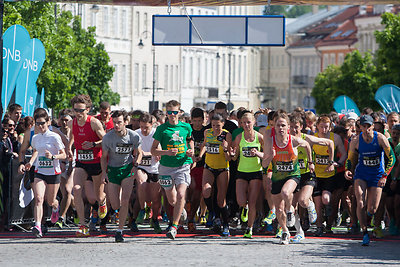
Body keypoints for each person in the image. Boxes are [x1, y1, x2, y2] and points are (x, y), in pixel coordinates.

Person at [345, 115, 395, 246]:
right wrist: (347, 169)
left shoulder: (380, 138)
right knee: (360, 201)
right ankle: (365, 232)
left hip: (377, 175)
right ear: (360, 127)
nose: (366, 129)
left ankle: (368, 216)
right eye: (363, 126)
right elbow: (350, 159)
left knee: (373, 208)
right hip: (361, 174)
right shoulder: (355, 140)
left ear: (372, 126)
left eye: (368, 126)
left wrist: (385, 176)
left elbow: (392, 158)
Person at [151, 100, 194, 240]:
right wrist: (166, 152)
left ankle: (174, 226)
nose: (172, 115)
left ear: (179, 112)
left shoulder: (186, 127)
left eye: (174, 112)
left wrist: (191, 150)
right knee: (172, 200)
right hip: (166, 167)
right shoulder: (161, 129)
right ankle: (180, 210)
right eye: (169, 112)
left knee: (181, 194)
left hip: (183, 165)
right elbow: (153, 150)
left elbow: (190, 140)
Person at [289, 113, 334, 242]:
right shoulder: (285, 140)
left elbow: (330, 143)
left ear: (302, 127)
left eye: (296, 127)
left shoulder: (307, 138)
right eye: (291, 127)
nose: (294, 130)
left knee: (303, 201)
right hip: (293, 175)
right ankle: (299, 232)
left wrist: (331, 162)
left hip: (308, 175)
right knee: (292, 207)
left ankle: (310, 205)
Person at [67, 95, 106, 237]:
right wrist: (69, 148)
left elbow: (106, 140)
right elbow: (72, 136)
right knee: (76, 189)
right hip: (81, 162)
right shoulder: (72, 123)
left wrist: (94, 144)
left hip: (96, 162)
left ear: (87, 109)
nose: (78, 113)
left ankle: (102, 202)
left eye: (81, 110)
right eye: (76, 110)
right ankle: (83, 225)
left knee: (97, 196)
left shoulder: (94, 123)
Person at [101, 110, 142, 242]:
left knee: (125, 200)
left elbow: (139, 153)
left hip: (127, 169)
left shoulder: (134, 136)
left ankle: (119, 231)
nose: (116, 125)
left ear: (126, 122)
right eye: (114, 123)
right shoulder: (108, 137)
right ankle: (108, 206)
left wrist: (136, 165)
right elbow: (104, 157)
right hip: (112, 170)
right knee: (115, 204)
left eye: (119, 122)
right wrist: (104, 173)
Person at [24, 109, 66, 237]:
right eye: (38, 124)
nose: (40, 126)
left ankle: (55, 206)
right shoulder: (36, 138)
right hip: (39, 171)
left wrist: (53, 157)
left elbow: (63, 155)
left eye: (42, 123)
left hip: (53, 172)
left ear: (48, 122)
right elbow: (36, 151)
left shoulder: (54, 136)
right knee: (38, 198)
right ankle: (37, 225)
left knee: (50, 200)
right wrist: (31, 162)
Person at [312, 114, 347, 237]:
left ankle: (330, 214)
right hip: (316, 174)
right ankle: (319, 226)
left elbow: (344, 153)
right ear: (317, 126)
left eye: (326, 127)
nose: (324, 130)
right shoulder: (313, 138)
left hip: (329, 175)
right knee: (318, 203)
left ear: (330, 127)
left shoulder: (335, 138)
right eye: (321, 127)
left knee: (326, 199)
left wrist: (338, 163)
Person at [199, 113, 232, 236]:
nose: (215, 128)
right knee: (206, 190)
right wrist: (200, 156)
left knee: (220, 200)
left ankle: (226, 225)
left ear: (223, 124)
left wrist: (224, 149)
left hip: (223, 169)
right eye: (213, 125)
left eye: (218, 126)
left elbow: (229, 158)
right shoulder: (207, 132)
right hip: (209, 167)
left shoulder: (226, 135)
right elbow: (204, 145)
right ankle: (213, 214)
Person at [232, 112, 264, 239]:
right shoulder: (239, 137)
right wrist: (232, 153)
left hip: (256, 171)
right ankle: (243, 208)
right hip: (242, 171)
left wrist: (258, 154)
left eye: (248, 122)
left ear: (254, 123)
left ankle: (249, 229)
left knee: (252, 202)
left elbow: (266, 155)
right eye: (243, 122)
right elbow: (234, 157)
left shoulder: (260, 137)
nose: (246, 125)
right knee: (241, 200)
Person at [135, 112, 162, 234]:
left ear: (152, 125)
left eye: (146, 127)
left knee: (156, 198)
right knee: (141, 182)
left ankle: (155, 219)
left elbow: (160, 150)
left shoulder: (156, 133)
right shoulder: (136, 134)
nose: (144, 130)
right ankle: (142, 209)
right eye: (142, 127)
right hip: (142, 166)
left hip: (155, 169)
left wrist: (154, 154)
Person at [188, 107, 207, 232]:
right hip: (188, 165)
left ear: (203, 120)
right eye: (195, 121)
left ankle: (191, 219)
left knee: (197, 193)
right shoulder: (187, 130)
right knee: (187, 194)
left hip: (202, 166)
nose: (197, 124)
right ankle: (187, 214)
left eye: (199, 121)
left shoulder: (207, 131)